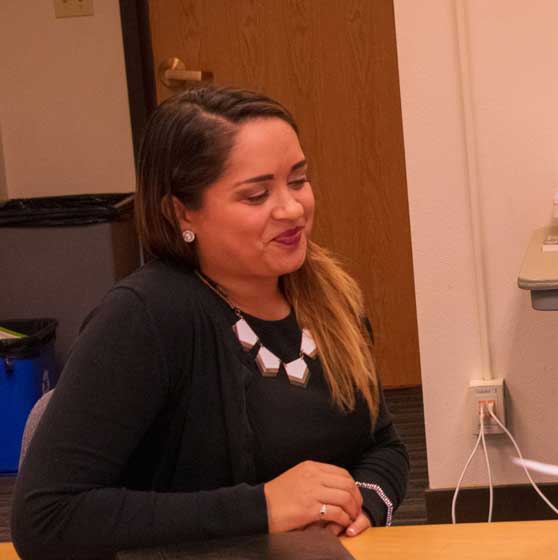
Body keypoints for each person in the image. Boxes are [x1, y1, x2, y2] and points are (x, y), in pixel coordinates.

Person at [12, 87, 409, 558]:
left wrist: (361, 503)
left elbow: (384, 445)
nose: (293, 208)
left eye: (298, 180)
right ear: (182, 212)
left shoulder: (331, 294)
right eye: (257, 194)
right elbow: (46, 518)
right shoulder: (146, 315)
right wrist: (261, 508)